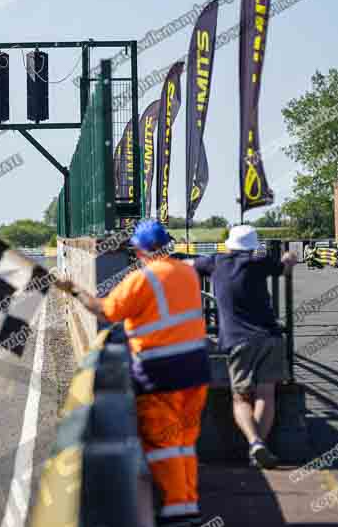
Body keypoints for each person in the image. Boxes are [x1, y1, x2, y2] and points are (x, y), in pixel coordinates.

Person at [56, 220, 210, 527]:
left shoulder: (142, 279)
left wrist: (74, 290)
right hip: (196, 370)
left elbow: (106, 312)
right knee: (184, 440)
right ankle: (189, 503)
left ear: (139, 250)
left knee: (162, 443)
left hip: (159, 373)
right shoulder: (188, 272)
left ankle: (179, 511)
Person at [188, 225, 296, 469]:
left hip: (237, 340)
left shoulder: (215, 263)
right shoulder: (261, 262)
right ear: (252, 245)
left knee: (240, 398)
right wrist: (290, 259)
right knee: (266, 394)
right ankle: (257, 449)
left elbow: (190, 267)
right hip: (270, 336)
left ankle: (254, 441)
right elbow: (285, 267)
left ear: (229, 244)